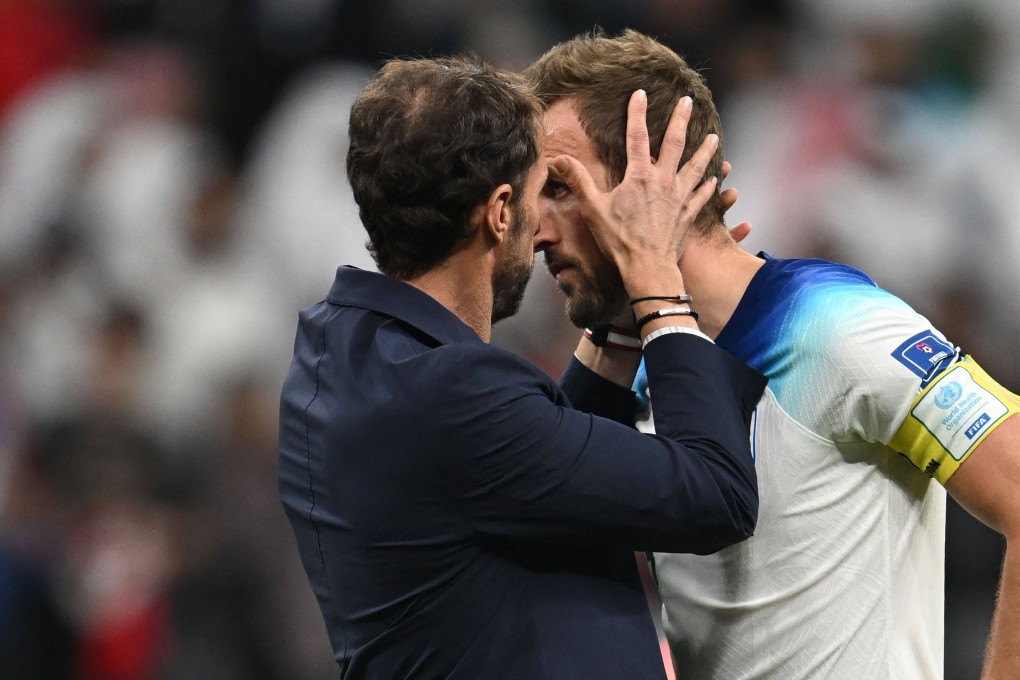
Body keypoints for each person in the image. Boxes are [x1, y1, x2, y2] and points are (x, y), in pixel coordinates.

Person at [526, 29, 1020, 680]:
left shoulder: (835, 326)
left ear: (656, 185)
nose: (536, 230)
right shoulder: (645, 363)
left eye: (561, 188)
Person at [277, 55, 767, 679]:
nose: (543, 232)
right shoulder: (453, 394)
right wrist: (656, 279)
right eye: (545, 193)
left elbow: (540, 465)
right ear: (500, 210)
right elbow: (715, 493)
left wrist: (618, 311)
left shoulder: (339, 354)